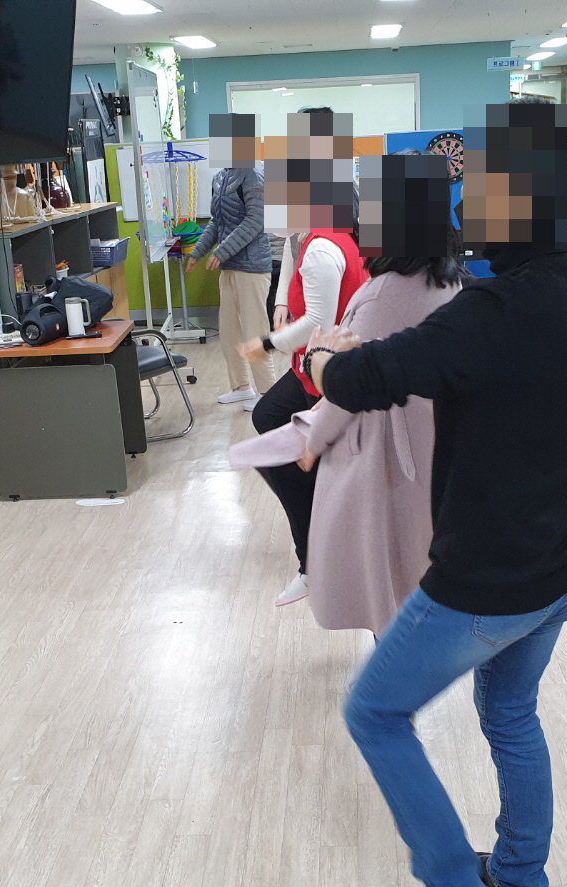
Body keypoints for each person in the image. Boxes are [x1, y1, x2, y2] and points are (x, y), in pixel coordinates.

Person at [305, 102, 567, 887]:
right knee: (510, 711)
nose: (462, 204)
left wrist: (319, 356)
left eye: (475, 188)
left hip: (492, 581)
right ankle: (522, 882)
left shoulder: (492, 314)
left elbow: (361, 380)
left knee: (374, 711)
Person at [303, 154, 466, 635]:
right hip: (434, 437)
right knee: (415, 573)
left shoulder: (382, 296)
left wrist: (314, 441)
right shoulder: (448, 278)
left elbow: (349, 387)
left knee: (390, 580)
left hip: (390, 455)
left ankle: (395, 673)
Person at [240, 109, 367, 608]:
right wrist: (279, 306)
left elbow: (319, 318)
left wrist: (269, 343)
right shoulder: (314, 228)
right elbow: (294, 253)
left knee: (277, 435)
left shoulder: (328, 232)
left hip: (329, 369)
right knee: (270, 426)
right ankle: (318, 540)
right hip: (317, 361)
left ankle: (317, 554)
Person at [190, 114, 275, 410]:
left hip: (252, 267)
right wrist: (198, 252)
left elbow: (255, 221)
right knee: (229, 332)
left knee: (255, 331)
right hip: (229, 267)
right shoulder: (221, 177)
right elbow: (217, 222)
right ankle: (241, 387)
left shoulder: (253, 175)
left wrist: (221, 252)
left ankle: (268, 392)